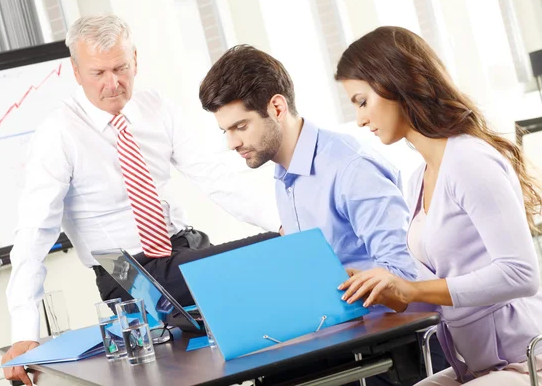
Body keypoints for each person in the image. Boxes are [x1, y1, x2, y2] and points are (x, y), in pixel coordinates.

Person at [2, 15, 279, 385]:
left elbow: (217, 178)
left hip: (183, 249)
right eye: (98, 72)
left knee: (266, 311)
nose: (112, 83)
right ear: (76, 71)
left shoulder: (157, 108)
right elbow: (34, 234)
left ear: (136, 59)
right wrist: (24, 332)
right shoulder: (58, 135)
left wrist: (280, 220)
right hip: (125, 270)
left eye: (120, 68)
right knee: (270, 251)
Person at [199, 45, 427, 385]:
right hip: (336, 336)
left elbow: (407, 276)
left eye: (240, 127)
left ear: (277, 107)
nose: (233, 142)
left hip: (384, 350)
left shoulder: (349, 168)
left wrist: (328, 279)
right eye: (226, 131)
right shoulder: (284, 170)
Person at [337, 26, 542, 385]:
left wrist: (410, 289)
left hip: (526, 359)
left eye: (361, 101)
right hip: (474, 364)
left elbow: (521, 274)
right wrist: (388, 293)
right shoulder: (418, 178)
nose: (360, 119)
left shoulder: (469, 161)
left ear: (394, 83)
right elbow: (437, 291)